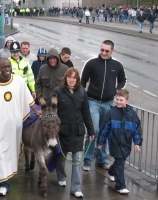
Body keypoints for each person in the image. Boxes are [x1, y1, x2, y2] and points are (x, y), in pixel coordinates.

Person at [0, 58, 40, 196]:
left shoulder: (19, 82)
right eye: (4, 67)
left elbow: (28, 98)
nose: (7, 69)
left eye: (9, 66)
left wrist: (36, 111)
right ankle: (3, 183)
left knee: (10, 153)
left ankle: (3, 179)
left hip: (14, 126)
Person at [81, 40, 127, 172]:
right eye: (102, 50)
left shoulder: (117, 65)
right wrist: (82, 97)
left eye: (107, 51)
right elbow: (83, 80)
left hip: (109, 103)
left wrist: (117, 89)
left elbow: (123, 80)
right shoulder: (91, 63)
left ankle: (101, 160)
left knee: (104, 131)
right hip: (93, 102)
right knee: (93, 131)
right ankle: (87, 160)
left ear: (112, 51)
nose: (104, 53)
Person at [53, 67, 95, 198]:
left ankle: (76, 188)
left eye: (74, 78)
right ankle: (61, 177)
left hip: (77, 131)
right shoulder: (57, 91)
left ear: (77, 80)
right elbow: (52, 113)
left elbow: (86, 113)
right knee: (61, 158)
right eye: (69, 77)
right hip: (62, 131)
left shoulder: (82, 92)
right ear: (65, 78)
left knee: (77, 160)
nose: (71, 80)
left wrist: (91, 130)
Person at [97, 89, 142, 194]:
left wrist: (137, 143)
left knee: (119, 162)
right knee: (120, 162)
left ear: (127, 101)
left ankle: (111, 171)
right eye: (117, 99)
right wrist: (101, 142)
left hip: (126, 143)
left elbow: (137, 130)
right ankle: (120, 186)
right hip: (115, 142)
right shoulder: (111, 113)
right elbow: (104, 129)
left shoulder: (132, 114)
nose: (118, 102)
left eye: (121, 100)